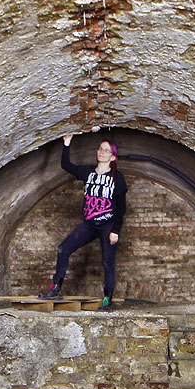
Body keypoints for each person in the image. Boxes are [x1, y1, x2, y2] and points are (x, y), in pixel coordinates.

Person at [37, 133, 128, 311]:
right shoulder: (87, 172)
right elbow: (65, 165)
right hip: (89, 223)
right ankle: (56, 288)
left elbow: (121, 207)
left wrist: (115, 230)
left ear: (113, 156)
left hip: (108, 223)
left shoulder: (118, 178)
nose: (102, 152)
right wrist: (66, 142)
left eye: (106, 150)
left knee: (108, 261)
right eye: (100, 149)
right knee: (63, 248)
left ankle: (107, 299)